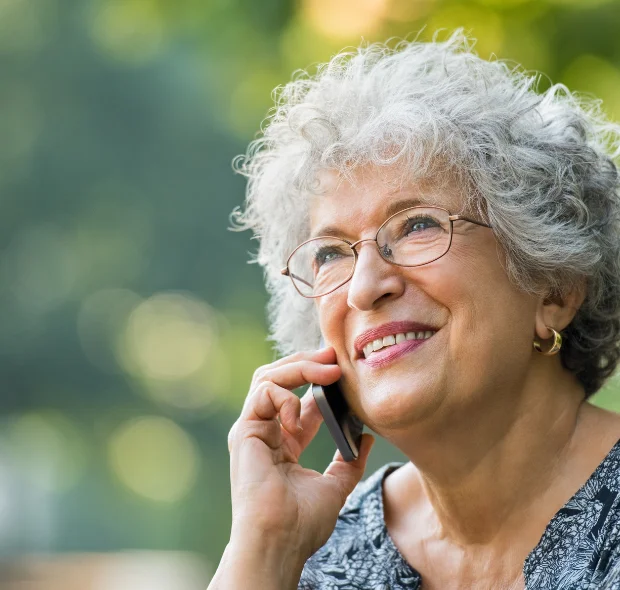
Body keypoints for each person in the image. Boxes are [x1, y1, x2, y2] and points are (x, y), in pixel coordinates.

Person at [208, 31, 620, 589]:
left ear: (554, 288)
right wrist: (263, 551)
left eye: (418, 225)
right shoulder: (319, 557)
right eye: (331, 253)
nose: (364, 288)